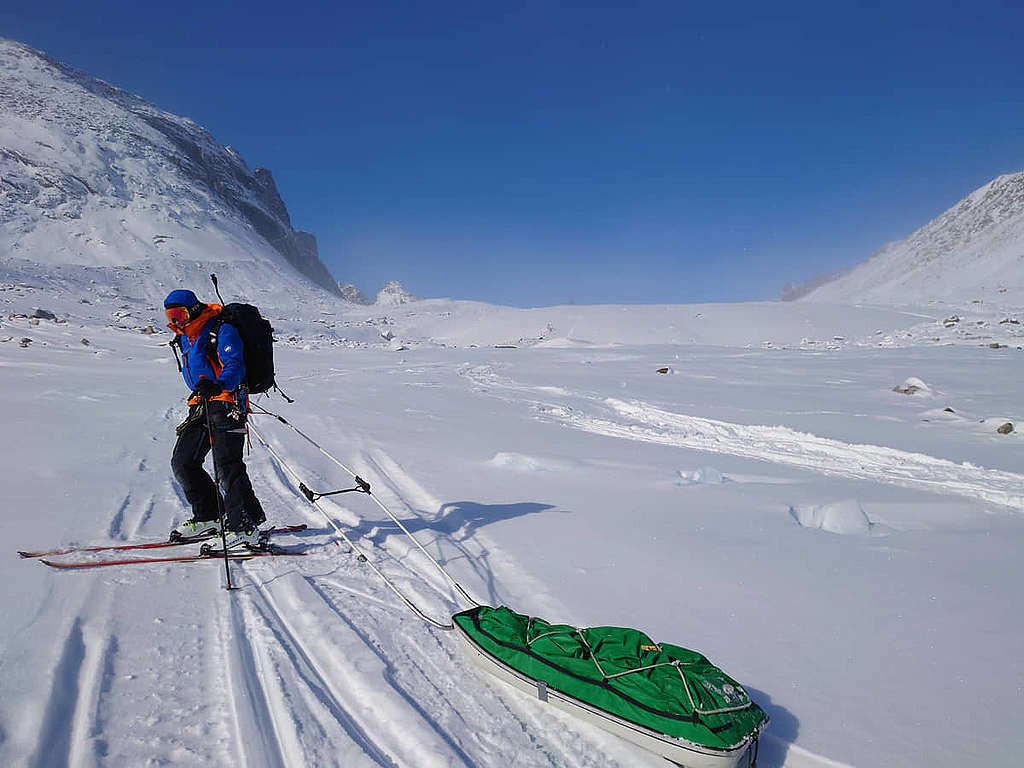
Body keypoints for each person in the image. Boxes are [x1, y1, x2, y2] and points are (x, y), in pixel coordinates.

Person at [164, 289, 266, 549]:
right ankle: (210, 515)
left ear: (194, 309)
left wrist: (219, 384)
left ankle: (243, 524)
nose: (176, 321)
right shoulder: (185, 336)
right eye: (171, 315)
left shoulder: (220, 329)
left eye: (180, 314)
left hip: (227, 401)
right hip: (201, 403)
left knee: (226, 465)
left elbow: (235, 365)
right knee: (183, 462)